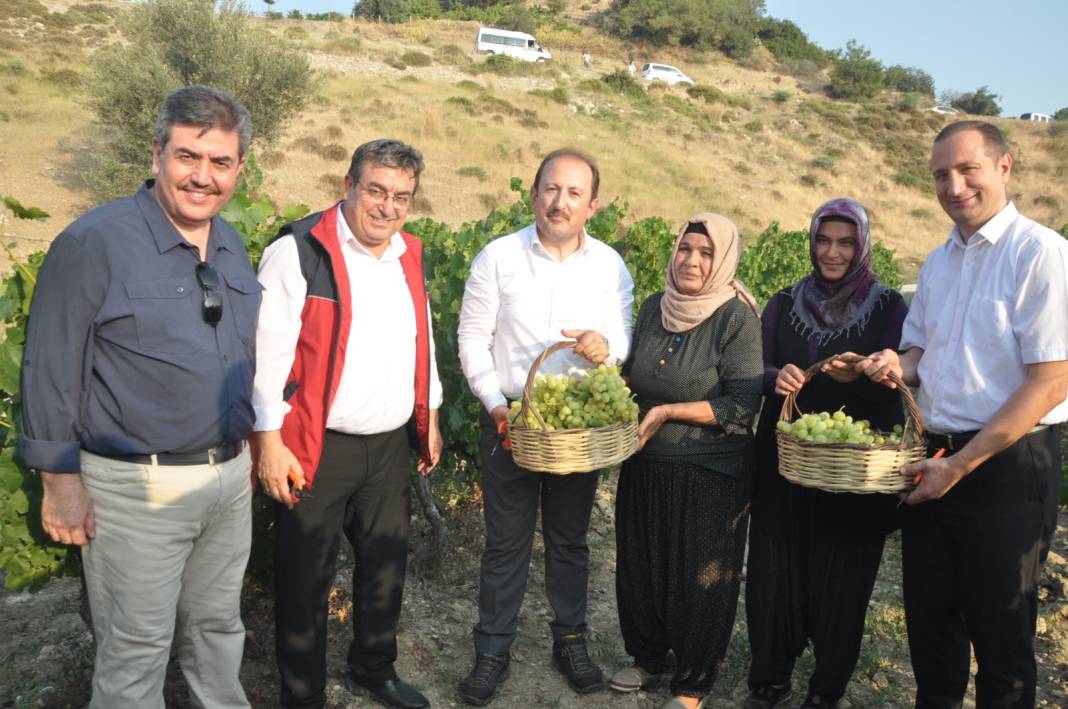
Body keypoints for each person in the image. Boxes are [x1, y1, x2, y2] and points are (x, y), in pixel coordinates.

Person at [17, 85, 258, 708]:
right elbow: (49, 367)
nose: (202, 177)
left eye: (220, 163)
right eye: (188, 157)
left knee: (218, 632)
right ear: (156, 155)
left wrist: (245, 459)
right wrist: (59, 483)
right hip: (135, 490)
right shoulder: (94, 243)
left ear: (238, 169)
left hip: (227, 480)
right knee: (135, 650)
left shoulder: (231, 244)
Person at [855, 120, 1068, 708]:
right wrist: (895, 363)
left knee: (1002, 639)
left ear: (1004, 167)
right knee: (932, 627)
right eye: (941, 175)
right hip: (935, 456)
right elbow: (921, 350)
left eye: (967, 168)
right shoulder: (939, 261)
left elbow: (1051, 381)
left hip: (1004, 462)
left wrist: (965, 464)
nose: (954, 185)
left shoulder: (1041, 253)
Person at [253, 139, 443, 709]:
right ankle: (303, 695)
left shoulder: (408, 252)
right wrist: (268, 442)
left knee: (386, 564)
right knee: (305, 578)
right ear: (349, 185)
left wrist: (429, 413)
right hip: (316, 445)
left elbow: (422, 341)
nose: (387, 207)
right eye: (377, 191)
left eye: (401, 198)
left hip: (386, 445)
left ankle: (372, 669)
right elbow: (264, 355)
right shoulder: (300, 251)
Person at [456, 148, 634, 705]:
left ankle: (571, 640)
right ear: (533, 194)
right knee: (505, 544)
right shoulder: (497, 257)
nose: (560, 202)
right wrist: (495, 405)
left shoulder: (610, 266)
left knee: (569, 542)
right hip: (510, 419)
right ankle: (492, 650)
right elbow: (472, 341)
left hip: (576, 429)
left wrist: (608, 348)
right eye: (551, 189)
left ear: (593, 206)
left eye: (574, 193)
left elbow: (622, 337)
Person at [742, 198, 909, 709]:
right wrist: (778, 378)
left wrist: (864, 370)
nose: (832, 252)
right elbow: (760, 368)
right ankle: (769, 680)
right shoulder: (783, 301)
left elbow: (900, 377)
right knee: (774, 568)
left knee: (842, 576)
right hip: (787, 458)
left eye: (845, 242)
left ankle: (825, 689)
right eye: (823, 240)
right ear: (810, 241)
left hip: (854, 466)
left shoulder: (889, 306)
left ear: (862, 245)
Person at [609, 214, 763, 709]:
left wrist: (670, 410)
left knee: (698, 577)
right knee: (641, 564)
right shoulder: (656, 307)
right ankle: (649, 658)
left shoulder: (736, 318)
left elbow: (742, 403)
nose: (692, 261)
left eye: (706, 253)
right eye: (685, 249)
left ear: (723, 260)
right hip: (645, 462)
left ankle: (692, 683)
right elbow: (632, 378)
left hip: (710, 472)